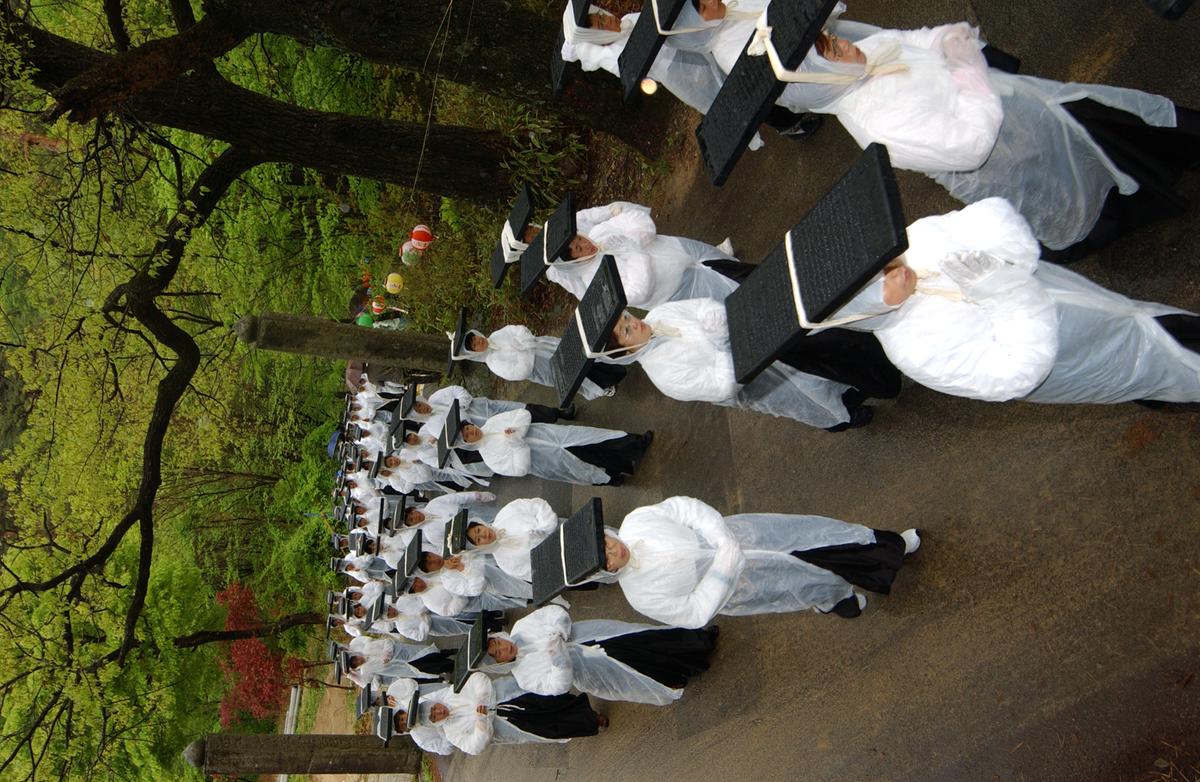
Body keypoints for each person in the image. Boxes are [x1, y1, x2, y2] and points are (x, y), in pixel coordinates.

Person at [738, 5, 1200, 257]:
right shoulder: (877, 123)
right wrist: (966, 70)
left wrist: (944, 38)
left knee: (1114, 127)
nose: (842, 42)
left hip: (1025, 111)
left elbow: (907, 40)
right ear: (819, 82)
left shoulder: (860, 59)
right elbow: (970, 147)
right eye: (830, 52)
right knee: (1084, 189)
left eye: (831, 39)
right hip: (1012, 159)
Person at [823, 197, 1200, 404]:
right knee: (1165, 373)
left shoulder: (914, 243)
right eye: (877, 286)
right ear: (858, 313)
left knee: (1161, 325)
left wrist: (1003, 257)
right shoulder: (915, 352)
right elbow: (1015, 375)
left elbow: (995, 221)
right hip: (1085, 358)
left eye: (883, 263)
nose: (894, 272)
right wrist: (1003, 291)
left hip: (1099, 306)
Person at [601, 495, 920, 627]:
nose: (613, 551)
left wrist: (721, 538)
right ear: (602, 574)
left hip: (743, 534)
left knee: (820, 536)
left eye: (605, 543)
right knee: (804, 583)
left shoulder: (636, 522)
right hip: (741, 585)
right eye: (605, 560)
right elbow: (693, 612)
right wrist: (724, 568)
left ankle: (888, 546)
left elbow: (684, 508)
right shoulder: (640, 596)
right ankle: (836, 600)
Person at [600, 298, 888, 430]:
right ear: (625, 353)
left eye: (626, 317)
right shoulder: (665, 375)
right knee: (804, 399)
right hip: (760, 385)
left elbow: (700, 306)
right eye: (627, 331)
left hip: (757, 342)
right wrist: (722, 342)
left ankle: (853, 385)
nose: (634, 323)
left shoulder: (660, 314)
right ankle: (842, 418)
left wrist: (713, 315)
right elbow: (722, 387)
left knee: (816, 367)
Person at [480, 604, 717, 705]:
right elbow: (556, 687)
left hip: (594, 635)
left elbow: (552, 613)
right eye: (497, 653)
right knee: (636, 667)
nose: (503, 648)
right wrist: (559, 662)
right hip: (591, 669)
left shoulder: (522, 627)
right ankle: (682, 670)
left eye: (497, 643)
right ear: (498, 663)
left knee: (644, 639)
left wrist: (560, 630)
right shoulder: (524, 677)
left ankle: (699, 640)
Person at [534, 201, 747, 308]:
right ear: (574, 262)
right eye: (579, 250)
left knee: (734, 269)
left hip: (685, 252)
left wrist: (637, 239)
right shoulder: (594, 281)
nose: (585, 245)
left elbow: (636, 219)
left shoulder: (599, 232)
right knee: (737, 302)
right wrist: (633, 252)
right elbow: (636, 293)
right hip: (680, 290)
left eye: (579, 240)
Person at [418, 672, 605, 754]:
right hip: (510, 724)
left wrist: (482, 700)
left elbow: (477, 679)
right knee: (549, 727)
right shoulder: (452, 733)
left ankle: (584, 709)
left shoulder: (452, 692)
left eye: (434, 708)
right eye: (434, 717)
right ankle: (592, 721)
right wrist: (481, 721)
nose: (439, 712)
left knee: (549, 702)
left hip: (510, 696)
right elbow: (474, 747)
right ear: (434, 723)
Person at [458, 408, 652, 486]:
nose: (471, 432)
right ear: (466, 444)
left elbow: (522, 414)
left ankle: (636, 444)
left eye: (467, 428)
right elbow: (519, 470)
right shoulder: (490, 459)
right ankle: (617, 475)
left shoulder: (493, 422)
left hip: (554, 436)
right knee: (588, 465)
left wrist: (518, 429)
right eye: (466, 436)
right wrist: (516, 443)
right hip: (548, 460)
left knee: (596, 439)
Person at [455, 326, 624, 400]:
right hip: (542, 368)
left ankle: (610, 365)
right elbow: (519, 372)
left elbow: (517, 329)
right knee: (574, 375)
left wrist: (524, 341)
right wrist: (524, 350)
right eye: (474, 345)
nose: (479, 342)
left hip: (544, 347)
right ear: (474, 353)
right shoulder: (493, 363)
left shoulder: (496, 335)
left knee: (578, 354)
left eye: (475, 338)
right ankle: (602, 387)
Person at [463, 497, 560, 582]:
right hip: (558, 557)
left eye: (478, 530)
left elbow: (536, 505)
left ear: (481, 524)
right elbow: (536, 573)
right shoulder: (504, 563)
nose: (483, 535)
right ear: (479, 547)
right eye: (478, 540)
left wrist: (546, 527)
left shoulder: (506, 513)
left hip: (559, 528)